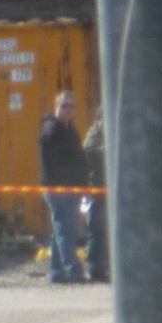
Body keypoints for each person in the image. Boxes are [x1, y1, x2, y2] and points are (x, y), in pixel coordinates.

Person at [39, 90, 89, 284]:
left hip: (71, 188)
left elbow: (78, 160)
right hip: (57, 189)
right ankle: (73, 270)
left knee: (60, 229)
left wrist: (82, 185)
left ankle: (57, 272)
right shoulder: (51, 131)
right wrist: (65, 184)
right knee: (66, 229)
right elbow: (52, 163)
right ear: (56, 107)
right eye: (63, 105)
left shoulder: (71, 130)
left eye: (71, 106)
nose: (67, 110)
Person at [82, 113, 109, 284]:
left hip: (107, 194)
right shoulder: (92, 138)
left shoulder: (108, 137)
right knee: (97, 233)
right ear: (97, 120)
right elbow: (94, 153)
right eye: (104, 119)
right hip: (96, 194)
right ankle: (94, 269)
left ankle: (105, 267)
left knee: (106, 233)